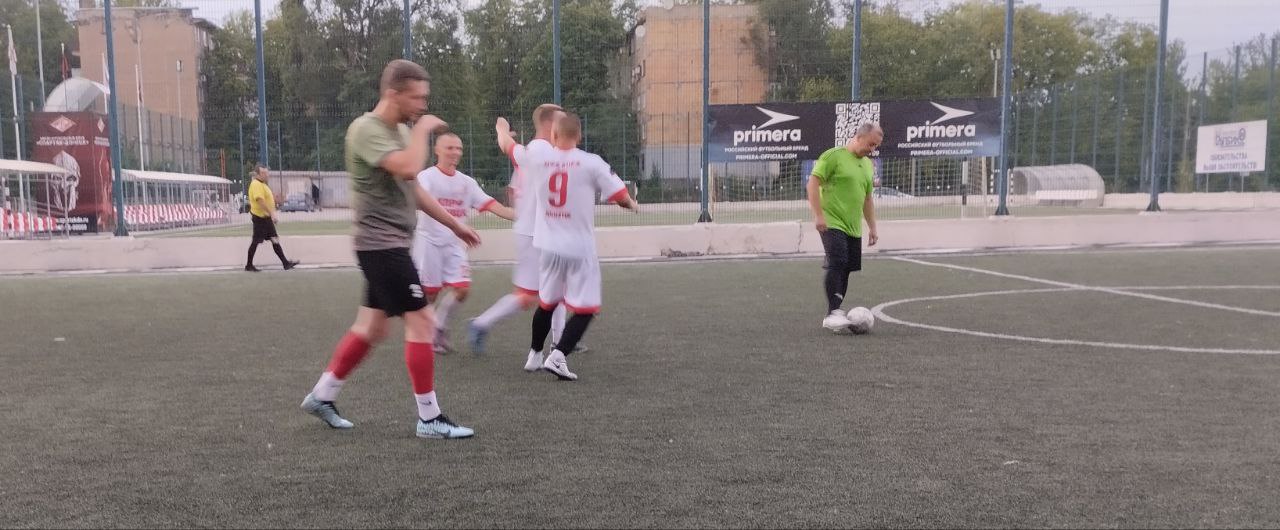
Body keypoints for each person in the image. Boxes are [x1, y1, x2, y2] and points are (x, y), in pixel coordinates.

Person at [300, 59, 482, 440]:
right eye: (416, 98)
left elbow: (413, 188)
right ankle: (429, 418)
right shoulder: (366, 129)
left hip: (392, 243)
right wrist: (424, 130)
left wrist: (454, 224)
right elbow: (408, 167)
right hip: (380, 245)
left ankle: (322, 395)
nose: (422, 105)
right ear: (392, 93)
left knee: (372, 327)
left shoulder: (400, 130)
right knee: (423, 321)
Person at [496, 113, 637, 380]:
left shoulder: (537, 158)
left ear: (554, 135)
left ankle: (534, 355)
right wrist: (632, 204)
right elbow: (620, 196)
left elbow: (507, 146)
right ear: (579, 136)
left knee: (547, 303)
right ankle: (558, 356)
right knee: (587, 308)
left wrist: (501, 127)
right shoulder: (591, 162)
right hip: (579, 249)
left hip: (548, 247)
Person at [466, 104, 584, 359]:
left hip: (541, 232)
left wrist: (503, 132)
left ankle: (560, 342)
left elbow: (508, 148)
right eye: (561, 122)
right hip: (534, 234)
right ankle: (480, 324)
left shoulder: (538, 151)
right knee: (527, 296)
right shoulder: (540, 150)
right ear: (548, 125)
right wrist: (501, 128)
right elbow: (507, 145)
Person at [411, 132, 515, 353]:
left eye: (458, 148)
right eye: (450, 148)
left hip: (454, 244)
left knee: (462, 290)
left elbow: (493, 205)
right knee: (430, 294)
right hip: (428, 243)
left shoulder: (467, 182)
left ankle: (438, 327)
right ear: (437, 150)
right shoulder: (427, 177)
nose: (455, 152)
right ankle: (424, 335)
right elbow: (419, 200)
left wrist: (523, 216)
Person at [807, 122, 881, 333]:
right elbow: (812, 183)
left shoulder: (867, 165)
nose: (872, 149)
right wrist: (819, 215)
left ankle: (835, 312)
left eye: (876, 146)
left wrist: (872, 227)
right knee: (837, 261)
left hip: (853, 226)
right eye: (870, 144)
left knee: (847, 267)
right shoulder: (834, 156)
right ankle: (832, 313)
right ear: (858, 137)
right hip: (832, 221)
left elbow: (867, 199)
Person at [244, 164, 300, 272]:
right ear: (258, 174)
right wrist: (272, 213)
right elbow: (260, 200)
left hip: (266, 218)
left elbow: (268, 198)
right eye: (263, 173)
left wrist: (277, 199)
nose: (266, 175)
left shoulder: (263, 185)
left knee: (274, 239)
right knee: (255, 241)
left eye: (267, 172)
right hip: (260, 218)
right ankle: (249, 265)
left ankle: (285, 263)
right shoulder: (256, 184)